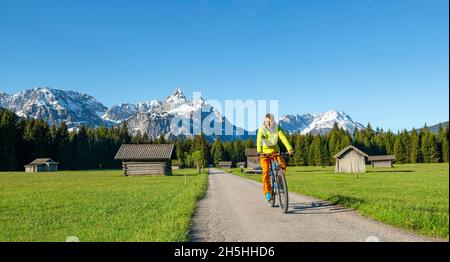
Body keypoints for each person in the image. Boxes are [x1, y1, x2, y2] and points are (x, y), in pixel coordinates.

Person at [256, 113, 294, 204]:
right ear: (265, 121)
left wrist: (289, 148)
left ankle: (280, 182)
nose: (268, 124)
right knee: (265, 172)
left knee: (283, 166)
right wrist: (259, 151)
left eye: (270, 122)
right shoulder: (262, 129)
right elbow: (259, 140)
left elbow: (283, 138)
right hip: (264, 154)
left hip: (275, 152)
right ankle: (268, 192)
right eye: (267, 122)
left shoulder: (277, 127)